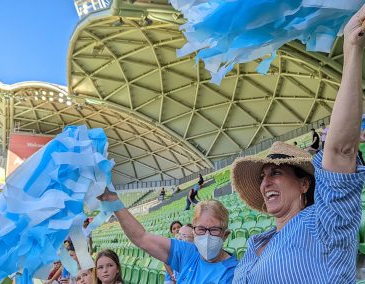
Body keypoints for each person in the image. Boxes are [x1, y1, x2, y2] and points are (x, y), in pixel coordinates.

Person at [230, 8, 365, 283]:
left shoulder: (324, 223)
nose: (265, 182)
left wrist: (352, 47)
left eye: (276, 172)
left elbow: (340, 150)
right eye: (263, 176)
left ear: (304, 184)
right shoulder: (256, 243)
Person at [98, 188, 238, 283]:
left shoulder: (235, 272)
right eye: (201, 229)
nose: (207, 235)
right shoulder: (187, 252)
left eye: (214, 230)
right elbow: (141, 237)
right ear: (194, 231)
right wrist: (112, 199)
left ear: (225, 235)